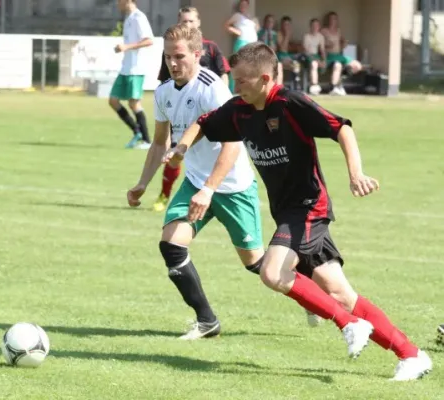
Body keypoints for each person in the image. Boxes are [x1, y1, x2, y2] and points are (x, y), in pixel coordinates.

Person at [165, 42, 432, 381]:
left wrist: (356, 174)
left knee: (272, 273)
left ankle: (349, 324)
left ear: (264, 78)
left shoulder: (290, 104)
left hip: (308, 208)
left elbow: (342, 127)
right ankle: (412, 355)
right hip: (287, 212)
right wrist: (180, 148)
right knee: (340, 294)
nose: (236, 87)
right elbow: (203, 122)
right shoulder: (240, 111)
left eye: (243, 81)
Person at [127, 24, 265, 340]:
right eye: (167, 57)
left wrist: (210, 188)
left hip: (230, 185)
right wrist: (143, 183)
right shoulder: (163, 92)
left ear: (197, 55)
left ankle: (306, 285)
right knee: (171, 245)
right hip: (195, 182)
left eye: (179, 56)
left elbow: (234, 142)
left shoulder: (211, 87)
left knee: (257, 265)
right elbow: (160, 141)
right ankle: (207, 321)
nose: (173, 63)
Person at [153, 6, 230, 212]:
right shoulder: (173, 50)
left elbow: (223, 73)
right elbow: (165, 80)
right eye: (183, 21)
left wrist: (224, 98)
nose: (187, 24)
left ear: (198, 23)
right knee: (174, 154)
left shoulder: (211, 49)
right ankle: (164, 193)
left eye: (190, 21)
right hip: (180, 109)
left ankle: (212, 187)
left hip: (208, 109)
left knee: (192, 150)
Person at [109, 0, 153, 149]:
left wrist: (126, 46)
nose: (117, 3)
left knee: (134, 103)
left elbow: (148, 41)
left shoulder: (139, 17)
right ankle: (137, 131)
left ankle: (147, 141)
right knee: (113, 101)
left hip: (136, 68)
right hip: (126, 68)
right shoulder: (128, 17)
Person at [321, 11, 362, 96]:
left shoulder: (338, 31)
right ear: (328, 20)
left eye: (335, 19)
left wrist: (344, 43)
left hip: (339, 55)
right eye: (332, 19)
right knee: (337, 65)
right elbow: (320, 46)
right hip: (329, 56)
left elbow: (341, 42)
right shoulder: (324, 31)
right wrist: (327, 46)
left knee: (358, 66)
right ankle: (333, 87)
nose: (333, 20)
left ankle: (342, 79)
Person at [224, 0, 258, 93]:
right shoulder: (237, 16)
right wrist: (238, 32)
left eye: (245, 4)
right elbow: (227, 25)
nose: (243, 6)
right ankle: (232, 90)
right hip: (242, 42)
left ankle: (247, 88)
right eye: (241, 4)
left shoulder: (250, 17)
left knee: (250, 67)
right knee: (238, 66)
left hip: (252, 44)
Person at [303, 18, 326, 95]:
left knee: (320, 63)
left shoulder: (321, 37)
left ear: (319, 27)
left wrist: (324, 60)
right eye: (313, 25)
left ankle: (335, 87)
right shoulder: (306, 36)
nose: (315, 27)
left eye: (316, 25)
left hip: (316, 56)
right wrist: (317, 60)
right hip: (307, 56)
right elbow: (306, 51)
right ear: (310, 26)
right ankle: (314, 85)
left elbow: (322, 50)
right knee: (314, 64)